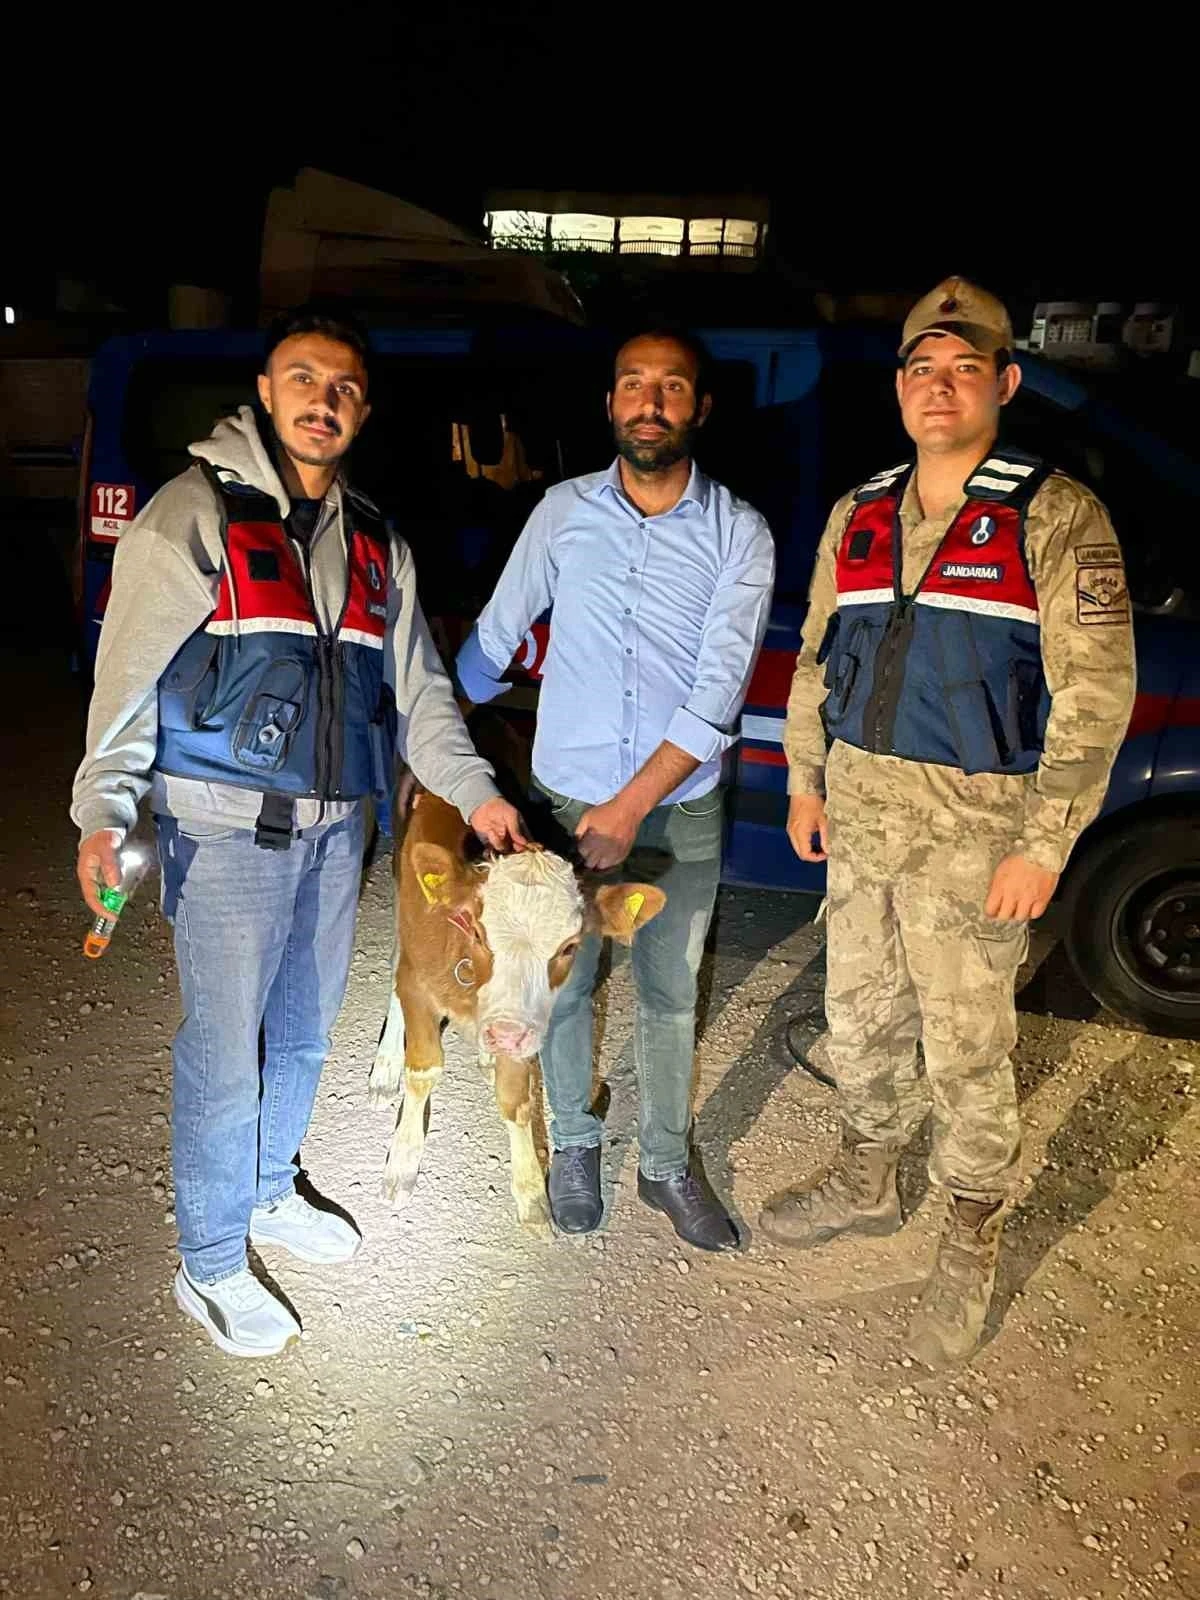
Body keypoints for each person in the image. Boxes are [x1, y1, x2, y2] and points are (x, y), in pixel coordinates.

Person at [72, 305, 526, 1357]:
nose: (325, 400)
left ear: (361, 410)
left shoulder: (376, 544)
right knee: (224, 1055)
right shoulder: (191, 516)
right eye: (305, 379)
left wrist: (479, 794)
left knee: (308, 1035)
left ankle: (269, 1188)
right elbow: (125, 680)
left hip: (334, 835)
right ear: (267, 393)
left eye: (344, 388)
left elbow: (422, 695)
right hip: (223, 836)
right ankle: (209, 1258)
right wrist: (103, 811)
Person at [762, 278, 1136, 1367]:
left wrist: (1043, 844)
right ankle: (868, 1171)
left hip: (977, 833)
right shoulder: (862, 512)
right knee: (858, 1015)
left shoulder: (1055, 516)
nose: (940, 386)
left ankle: (971, 1229)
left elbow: (1095, 695)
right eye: (922, 368)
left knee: (968, 1045)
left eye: (965, 368)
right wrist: (803, 780)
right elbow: (817, 657)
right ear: (898, 388)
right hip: (861, 813)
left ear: (1005, 384)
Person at [456, 328, 775, 1250]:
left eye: (671, 387)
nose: (650, 402)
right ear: (610, 404)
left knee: (670, 991)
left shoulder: (739, 533)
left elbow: (718, 694)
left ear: (698, 407)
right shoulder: (562, 513)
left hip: (678, 812)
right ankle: (575, 1142)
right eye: (633, 384)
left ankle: (665, 1163)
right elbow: (495, 637)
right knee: (561, 983)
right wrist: (433, 745)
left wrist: (629, 809)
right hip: (563, 809)